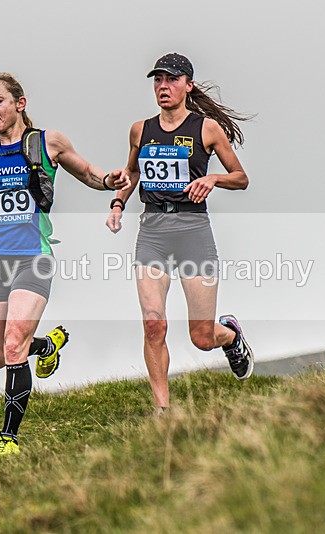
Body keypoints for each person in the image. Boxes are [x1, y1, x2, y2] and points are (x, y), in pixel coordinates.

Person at [0, 72, 129, 457]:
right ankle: (47, 346)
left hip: (34, 257)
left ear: (20, 103)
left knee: (14, 344)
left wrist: (111, 180)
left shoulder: (47, 142)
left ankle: (8, 439)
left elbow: (89, 173)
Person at [106, 53, 254, 411]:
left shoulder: (206, 129)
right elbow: (132, 174)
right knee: (153, 324)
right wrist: (118, 203)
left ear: (188, 85)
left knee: (202, 338)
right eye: (157, 80)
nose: (163, 87)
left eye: (171, 80)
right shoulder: (140, 130)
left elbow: (241, 178)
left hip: (192, 230)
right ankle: (163, 411)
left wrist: (213, 178)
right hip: (153, 230)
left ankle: (230, 336)